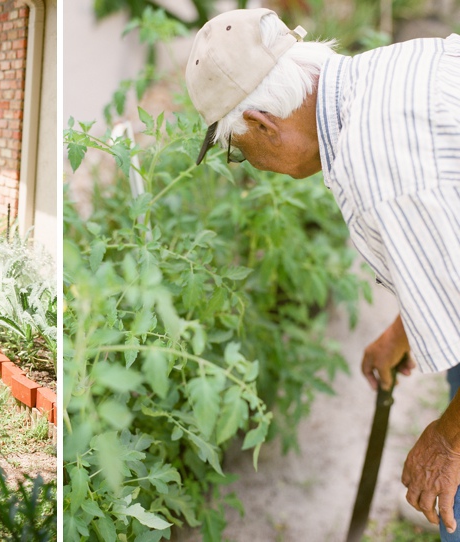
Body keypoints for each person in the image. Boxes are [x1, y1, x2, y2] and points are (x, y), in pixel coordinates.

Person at [185, 7, 460, 540]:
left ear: (265, 125)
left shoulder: (378, 174)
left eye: (239, 153)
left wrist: (448, 442)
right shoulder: (386, 74)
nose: (252, 165)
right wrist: (406, 327)